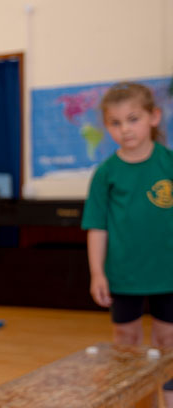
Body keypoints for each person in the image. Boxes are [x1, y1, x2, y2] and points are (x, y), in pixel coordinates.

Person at [83, 82, 173, 406]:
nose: (125, 129)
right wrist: (98, 273)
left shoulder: (168, 163)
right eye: (115, 122)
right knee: (126, 340)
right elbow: (97, 227)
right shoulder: (105, 173)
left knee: (167, 340)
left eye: (133, 119)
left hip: (167, 273)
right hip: (123, 275)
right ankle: (140, 399)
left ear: (154, 117)